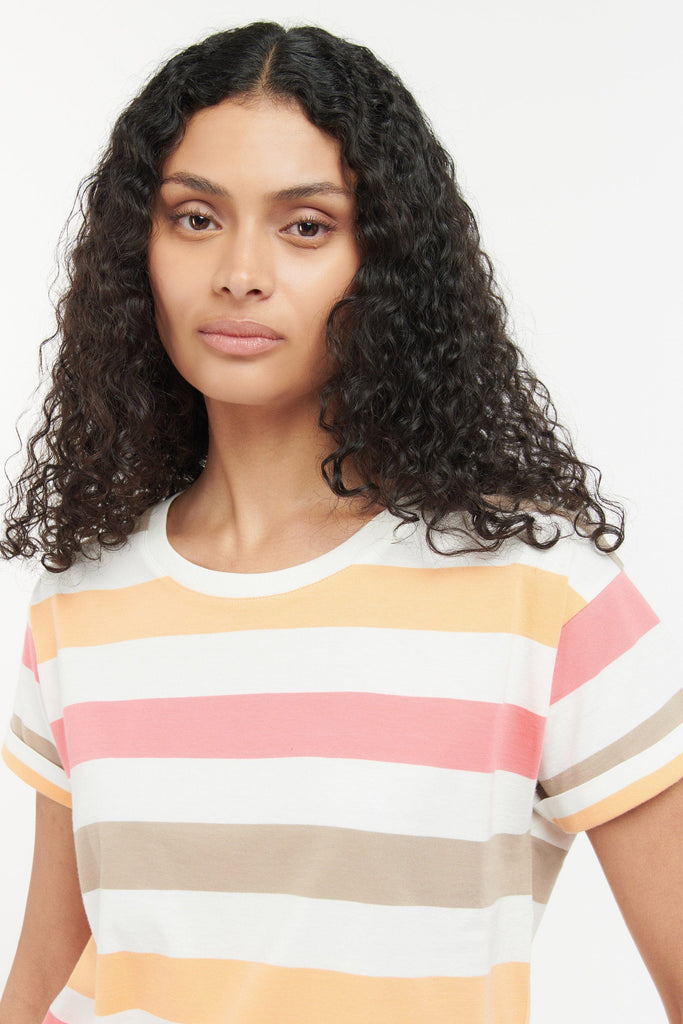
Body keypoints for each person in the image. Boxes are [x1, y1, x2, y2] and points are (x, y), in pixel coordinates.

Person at [0, 20, 680, 1024]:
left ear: (384, 262)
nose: (240, 271)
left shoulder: (542, 598)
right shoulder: (83, 594)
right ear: (137, 246)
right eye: (195, 217)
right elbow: (43, 973)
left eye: (306, 226)